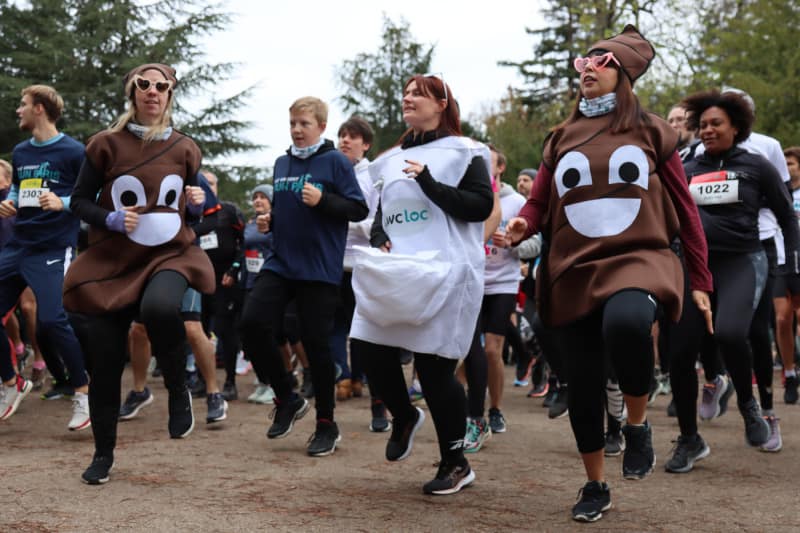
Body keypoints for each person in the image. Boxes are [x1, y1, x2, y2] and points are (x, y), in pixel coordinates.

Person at [505, 26, 712, 522]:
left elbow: (686, 210)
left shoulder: (652, 130)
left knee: (625, 323)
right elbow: (538, 203)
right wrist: (522, 224)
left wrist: (701, 280)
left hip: (639, 257)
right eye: (585, 63)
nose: (589, 70)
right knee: (584, 380)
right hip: (573, 267)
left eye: (603, 63)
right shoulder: (561, 137)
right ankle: (595, 483)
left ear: (624, 75)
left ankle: (637, 423)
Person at [65, 63, 214, 484]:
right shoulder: (105, 144)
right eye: (143, 85)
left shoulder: (186, 148)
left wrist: (199, 200)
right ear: (132, 93)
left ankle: (178, 389)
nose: (152, 91)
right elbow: (78, 201)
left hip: (170, 254)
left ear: (170, 95)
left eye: (161, 86)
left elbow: (196, 201)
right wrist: (110, 219)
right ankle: (103, 454)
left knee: (162, 308)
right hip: (114, 261)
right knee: (106, 359)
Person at [349, 73, 494, 495]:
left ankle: (455, 462)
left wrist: (429, 181)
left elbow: (480, 207)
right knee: (367, 346)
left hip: (449, 271)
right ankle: (404, 415)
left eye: (420, 93)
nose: (409, 98)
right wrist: (379, 236)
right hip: (397, 271)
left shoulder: (465, 151)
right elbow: (382, 213)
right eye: (407, 92)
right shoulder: (390, 158)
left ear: (442, 104)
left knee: (434, 371)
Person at [239, 96, 368, 457]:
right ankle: (287, 397)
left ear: (321, 127)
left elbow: (358, 208)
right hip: (281, 263)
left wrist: (324, 200)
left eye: (304, 124)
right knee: (250, 324)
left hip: (319, 269)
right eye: (293, 123)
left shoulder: (336, 163)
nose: (296, 129)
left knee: (317, 345)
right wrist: (272, 220)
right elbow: (290, 211)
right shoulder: (281, 163)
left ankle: (326, 423)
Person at [681, 89, 799, 455]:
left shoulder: (757, 164)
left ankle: (751, 406)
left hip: (742, 261)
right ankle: (688, 439)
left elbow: (787, 218)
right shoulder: (687, 169)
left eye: (716, 123)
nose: (708, 130)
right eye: (702, 125)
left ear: (737, 127)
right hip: (695, 267)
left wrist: (792, 262)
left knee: (732, 333)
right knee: (680, 351)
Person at [0, 85, 91, 430]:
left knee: (52, 322)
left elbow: (93, 193)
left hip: (53, 247)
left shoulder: (74, 151)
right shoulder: (21, 152)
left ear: (39, 109)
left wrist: (63, 203)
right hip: (18, 245)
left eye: (22, 105)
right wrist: (9, 201)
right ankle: (12, 382)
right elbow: (18, 187)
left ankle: (82, 392)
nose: (18, 111)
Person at [463, 145, 526, 452]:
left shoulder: (516, 202)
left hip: (502, 282)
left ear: (500, 167)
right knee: (465, 348)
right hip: (473, 279)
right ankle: (466, 409)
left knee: (492, 350)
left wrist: (513, 244)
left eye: (487, 162)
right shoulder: (472, 197)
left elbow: (535, 242)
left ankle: (495, 409)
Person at [777, 146, 800, 404]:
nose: (787, 167)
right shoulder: (777, 191)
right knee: (783, 318)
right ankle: (790, 373)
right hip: (781, 261)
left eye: (791, 163)